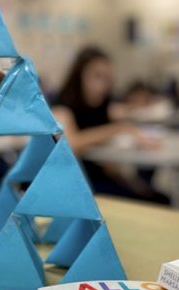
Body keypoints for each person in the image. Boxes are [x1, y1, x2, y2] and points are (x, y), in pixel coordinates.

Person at [51, 47, 168, 204]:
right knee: (157, 202)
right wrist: (119, 128)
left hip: (99, 179)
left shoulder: (101, 108)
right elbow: (71, 144)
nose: (102, 85)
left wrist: (135, 185)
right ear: (79, 75)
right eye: (96, 76)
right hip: (73, 187)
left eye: (107, 78)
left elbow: (108, 167)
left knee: (158, 197)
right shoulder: (61, 107)